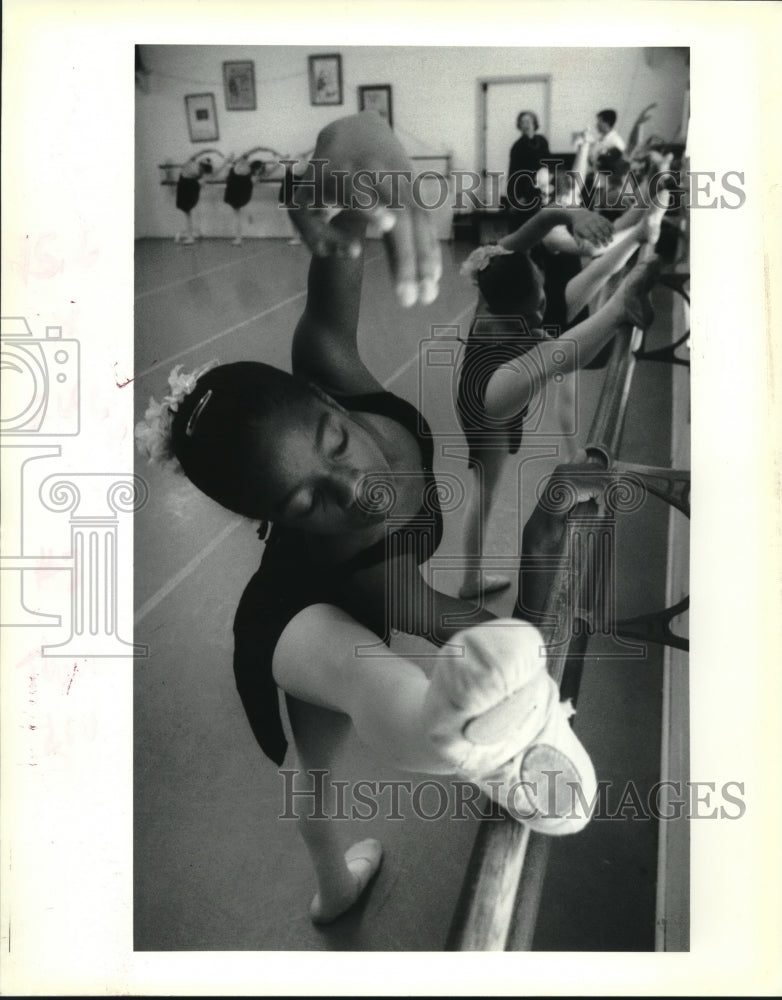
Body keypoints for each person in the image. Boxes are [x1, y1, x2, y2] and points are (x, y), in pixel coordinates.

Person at [136, 113, 650, 925]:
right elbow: (487, 645)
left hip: (332, 582)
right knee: (362, 685)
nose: (347, 488)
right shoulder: (370, 564)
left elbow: (342, 196)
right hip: (296, 615)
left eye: (335, 440)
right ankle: (430, 782)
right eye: (301, 502)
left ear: (324, 391)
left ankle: (335, 887)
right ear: (265, 520)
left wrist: (368, 166)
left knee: (315, 764)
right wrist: (541, 545)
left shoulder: (329, 360)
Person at [454, 188, 667, 599]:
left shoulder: (496, 269)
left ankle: (638, 236)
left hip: (505, 366)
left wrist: (573, 215)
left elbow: (540, 222)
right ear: (506, 310)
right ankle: (468, 581)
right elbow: (562, 355)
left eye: (540, 299)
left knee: (569, 298)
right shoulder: (501, 330)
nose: (540, 312)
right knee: (486, 487)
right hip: (489, 394)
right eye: (532, 308)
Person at [506, 110, 550, 232]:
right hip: (525, 191)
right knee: (526, 226)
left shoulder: (542, 141)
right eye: (522, 122)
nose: (525, 125)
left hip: (543, 188)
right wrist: (516, 198)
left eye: (528, 121)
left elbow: (548, 163)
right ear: (519, 126)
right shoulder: (517, 146)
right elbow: (513, 172)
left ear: (534, 123)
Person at [174, 151, 220, 245]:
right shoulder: (192, 168)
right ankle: (189, 237)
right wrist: (211, 150)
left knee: (188, 214)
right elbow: (196, 156)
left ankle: (189, 237)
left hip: (190, 189)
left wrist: (211, 151)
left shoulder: (195, 169)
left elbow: (213, 173)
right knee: (188, 214)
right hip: (188, 188)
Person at [223, 151, 267, 245]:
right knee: (237, 216)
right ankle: (238, 239)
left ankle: (238, 239)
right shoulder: (245, 170)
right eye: (259, 169)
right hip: (235, 192)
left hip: (238, 193)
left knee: (237, 216)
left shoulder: (250, 174)